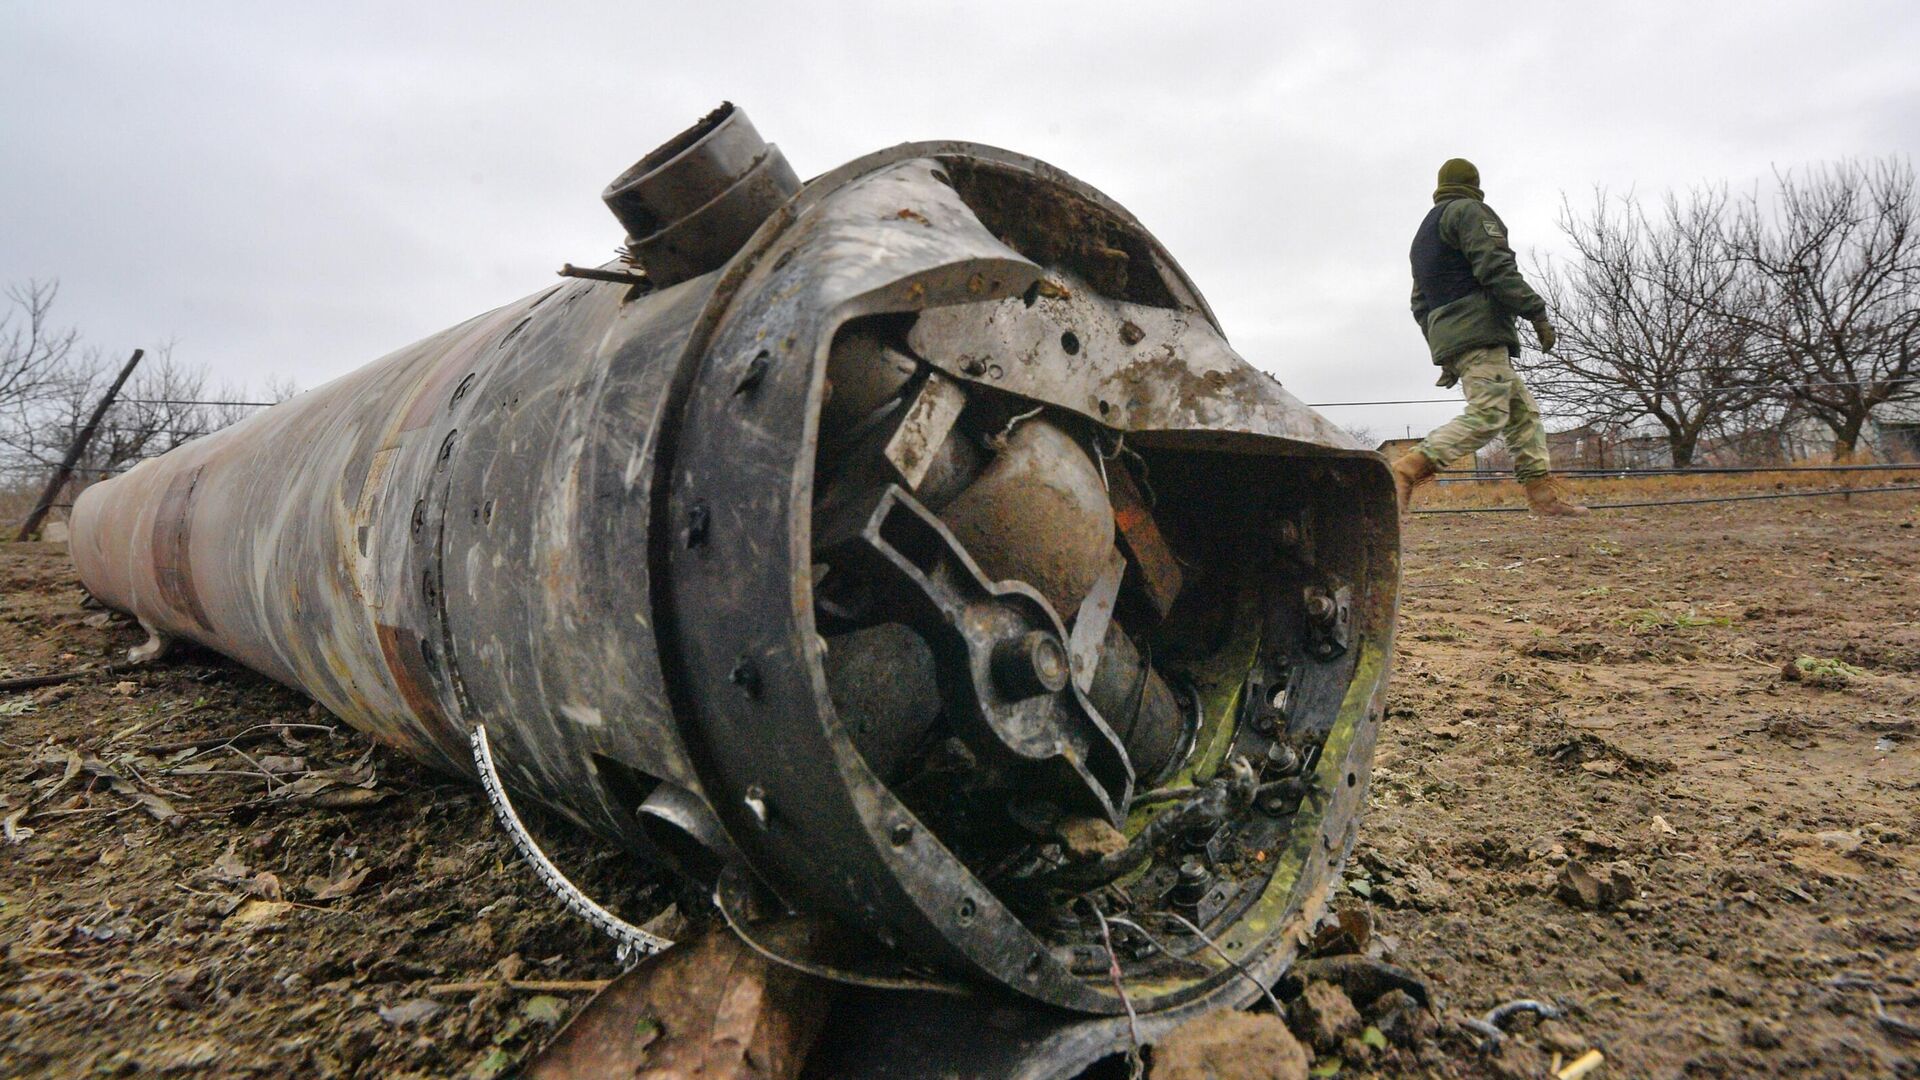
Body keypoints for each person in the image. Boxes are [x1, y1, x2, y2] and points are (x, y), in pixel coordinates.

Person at [1391, 158, 1587, 517]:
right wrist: (1535, 311)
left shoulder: (1423, 236)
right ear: (1474, 183)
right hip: (1480, 330)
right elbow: (1495, 267)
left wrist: (1444, 346)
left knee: (1522, 413)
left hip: (1457, 333)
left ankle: (1543, 498)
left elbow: (1420, 303)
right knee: (1487, 415)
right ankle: (1408, 468)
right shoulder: (1470, 212)